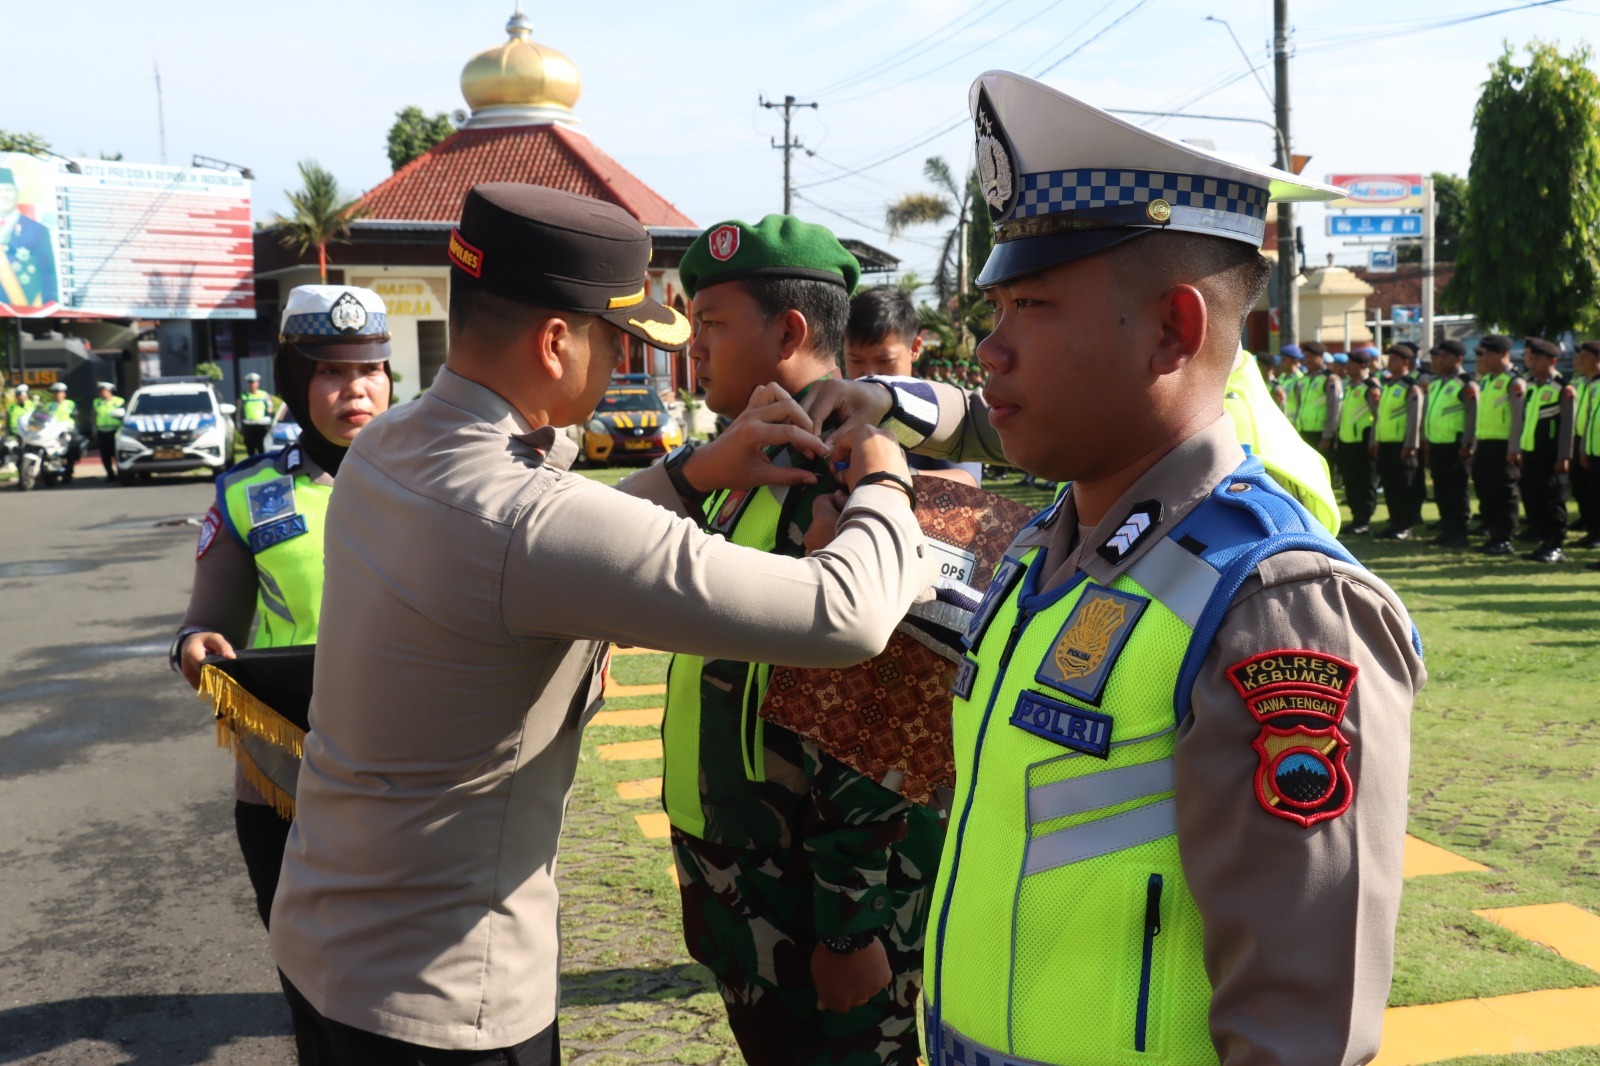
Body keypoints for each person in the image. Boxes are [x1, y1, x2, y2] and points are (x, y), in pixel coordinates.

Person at [804, 72, 1423, 1066]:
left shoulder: (1275, 606)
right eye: (993, 308)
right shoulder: (1053, 544)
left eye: (1033, 306)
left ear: (1175, 330)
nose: (988, 350)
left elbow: (1300, 1030)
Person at [269, 184, 935, 1066]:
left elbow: (531, 550)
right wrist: (888, 479)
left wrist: (692, 473)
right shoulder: (527, 520)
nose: (629, 362)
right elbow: (844, 614)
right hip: (445, 994)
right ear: (555, 342)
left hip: (325, 939)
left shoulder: (387, 447)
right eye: (617, 340)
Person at [668, 221, 943, 1066]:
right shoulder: (750, 465)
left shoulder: (848, 482)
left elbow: (883, 715)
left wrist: (852, 922)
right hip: (746, 881)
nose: (693, 348)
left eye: (712, 324)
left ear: (789, 333)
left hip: (816, 904)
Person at [170, 284, 393, 931]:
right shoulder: (248, 494)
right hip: (283, 767)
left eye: (369, 370)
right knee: (305, 957)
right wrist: (194, 643)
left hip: (412, 763)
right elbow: (207, 621)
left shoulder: (442, 482)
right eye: (330, 371)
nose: (355, 390)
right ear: (294, 378)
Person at [846, 285, 982, 488]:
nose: (870, 374)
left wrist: (895, 476)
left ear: (915, 348)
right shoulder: (834, 409)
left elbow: (967, 481)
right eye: (856, 361)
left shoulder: (937, 407)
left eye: (885, 361)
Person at [1514, 336, 1576, 564]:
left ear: (1553, 361)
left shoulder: (1563, 388)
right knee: (1534, 497)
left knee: (1553, 500)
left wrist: (1564, 456)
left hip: (1551, 455)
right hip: (1531, 451)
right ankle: (1544, 541)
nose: (1533, 362)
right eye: (1532, 358)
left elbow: (1567, 426)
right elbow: (1524, 420)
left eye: (1538, 359)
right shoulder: (1530, 385)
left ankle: (1556, 544)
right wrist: (1520, 448)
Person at [1472, 335, 1526, 556]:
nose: (1482, 359)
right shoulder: (1486, 380)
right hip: (1485, 443)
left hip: (1504, 446)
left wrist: (1514, 448)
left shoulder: (1514, 382)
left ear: (1501, 354)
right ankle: (1493, 534)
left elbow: (1518, 418)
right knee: (1486, 491)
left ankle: (1505, 538)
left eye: (1486, 354)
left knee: (1504, 493)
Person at [1422, 340, 1477, 548]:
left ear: (1458, 359)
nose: (1439, 360)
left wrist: (1467, 443)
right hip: (1437, 445)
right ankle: (1447, 529)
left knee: (1456, 491)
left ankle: (1459, 533)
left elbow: (1472, 416)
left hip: (1456, 447)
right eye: (1438, 356)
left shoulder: (1465, 384)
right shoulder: (1436, 383)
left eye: (1444, 356)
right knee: (1442, 490)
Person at [1371, 341, 1424, 539]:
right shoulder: (1388, 385)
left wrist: (1411, 444)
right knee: (1390, 486)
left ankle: (1405, 526)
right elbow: (1380, 416)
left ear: (1406, 362)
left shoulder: (1411, 387)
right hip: (1386, 444)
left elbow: (1414, 418)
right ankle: (1395, 524)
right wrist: (1375, 440)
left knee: (1404, 487)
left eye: (1394, 359)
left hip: (1402, 445)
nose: (1390, 362)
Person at [1337, 347, 1381, 534]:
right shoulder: (1351, 386)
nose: (1347, 366)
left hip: (1363, 441)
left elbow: (1377, 414)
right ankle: (1356, 517)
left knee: (1365, 481)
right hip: (1347, 440)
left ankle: (1364, 519)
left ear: (1363, 365)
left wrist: (1373, 440)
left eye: (1351, 363)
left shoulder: (1370, 386)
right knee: (1351, 481)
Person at [0, 167, 58, 308]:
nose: (5, 195)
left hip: (28, 309)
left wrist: (50, 309)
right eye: (1, 190)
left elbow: (48, 275)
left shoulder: (37, 231)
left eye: (9, 190)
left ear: (16, 193)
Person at [1569, 340, 1600, 548]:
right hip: (1587, 445)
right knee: (1588, 493)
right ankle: (1593, 531)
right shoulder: (1585, 383)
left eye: (1585, 356)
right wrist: (1582, 449)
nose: (1580, 360)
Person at [1293, 341, 1341, 455]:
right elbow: (1299, 406)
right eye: (1306, 356)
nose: (1307, 360)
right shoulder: (1303, 380)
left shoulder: (1329, 379)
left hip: (1321, 433)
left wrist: (1327, 436)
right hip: (1303, 432)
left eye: (1311, 357)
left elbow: (1334, 409)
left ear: (1321, 357)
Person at [43, 382, 84, 482]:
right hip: (52, 432)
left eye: (60, 392)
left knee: (69, 452)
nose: (57, 395)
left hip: (66, 431)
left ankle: (68, 473)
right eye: (55, 393)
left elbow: (76, 417)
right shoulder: (49, 406)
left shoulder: (70, 404)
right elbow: (43, 417)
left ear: (64, 394)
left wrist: (74, 430)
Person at [92, 381, 126, 481]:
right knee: (105, 455)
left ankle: (121, 473)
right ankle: (110, 474)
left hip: (116, 431)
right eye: (100, 391)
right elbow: (93, 417)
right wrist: (94, 430)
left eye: (104, 391)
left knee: (116, 454)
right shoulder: (96, 402)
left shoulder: (119, 401)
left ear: (109, 391)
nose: (102, 393)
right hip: (102, 432)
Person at [238, 373, 278, 458]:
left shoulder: (264, 395)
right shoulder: (244, 396)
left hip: (261, 425)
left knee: (261, 447)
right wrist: (239, 425)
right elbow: (239, 411)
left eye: (254, 382)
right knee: (250, 448)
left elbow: (270, 409)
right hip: (248, 425)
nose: (252, 384)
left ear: (257, 383)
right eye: (250, 382)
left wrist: (269, 422)